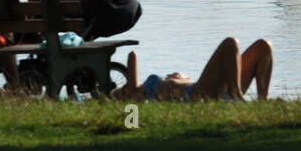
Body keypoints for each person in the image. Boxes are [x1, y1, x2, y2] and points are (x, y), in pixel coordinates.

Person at [114, 37, 273, 102]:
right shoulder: (139, 94)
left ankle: (262, 100)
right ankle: (236, 94)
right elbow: (132, 56)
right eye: (122, 91)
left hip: (212, 89)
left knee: (263, 46)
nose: (124, 88)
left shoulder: (151, 87)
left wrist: (177, 77)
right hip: (197, 94)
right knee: (230, 43)